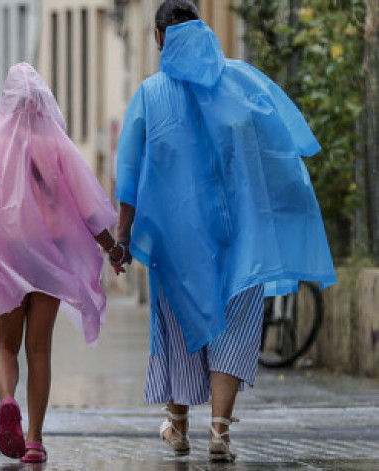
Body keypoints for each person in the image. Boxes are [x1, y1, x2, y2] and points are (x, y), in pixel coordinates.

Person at [114, 0, 336, 463]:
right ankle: (219, 433)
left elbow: (130, 174)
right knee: (234, 331)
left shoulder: (151, 94)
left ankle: (177, 426)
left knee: (178, 330)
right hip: (242, 237)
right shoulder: (242, 82)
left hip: (177, 243)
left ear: (159, 38)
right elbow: (278, 149)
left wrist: (122, 235)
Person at [0, 62, 124, 464]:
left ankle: (7, 399)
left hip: (5, 258)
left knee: (2, 345)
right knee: (39, 350)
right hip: (51, 256)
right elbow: (88, 208)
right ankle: (34, 439)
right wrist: (111, 249)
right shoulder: (59, 146)